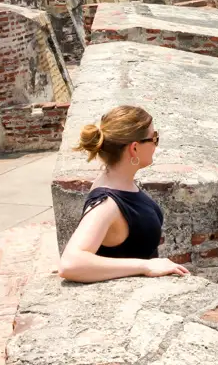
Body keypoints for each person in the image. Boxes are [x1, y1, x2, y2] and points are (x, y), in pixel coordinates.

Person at [59, 105, 189, 283]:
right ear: (134, 149)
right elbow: (70, 263)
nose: (156, 145)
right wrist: (145, 266)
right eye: (154, 138)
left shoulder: (115, 180)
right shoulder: (107, 204)